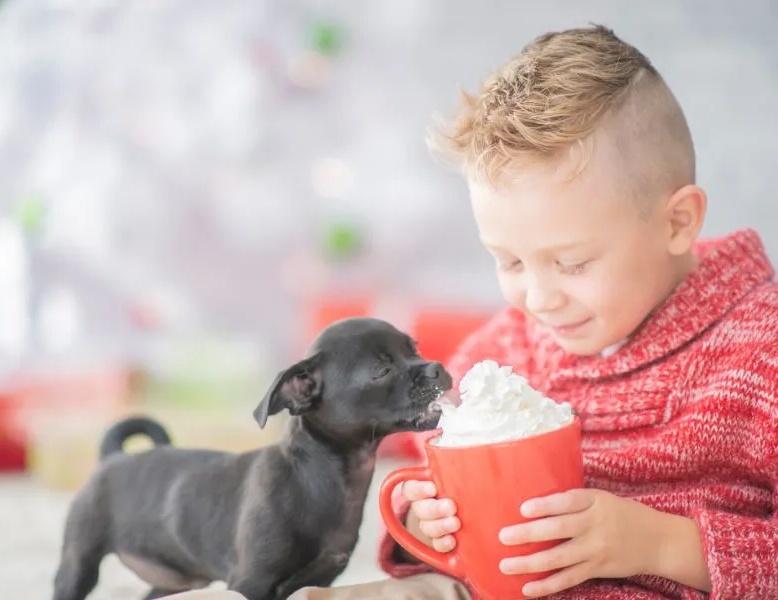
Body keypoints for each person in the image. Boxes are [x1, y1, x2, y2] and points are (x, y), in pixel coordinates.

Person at [166, 24, 778, 600]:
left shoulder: (761, 349)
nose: (537, 300)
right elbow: (424, 488)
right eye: (509, 263)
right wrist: (426, 526)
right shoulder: (501, 351)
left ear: (677, 222)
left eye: (571, 264)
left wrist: (665, 544)